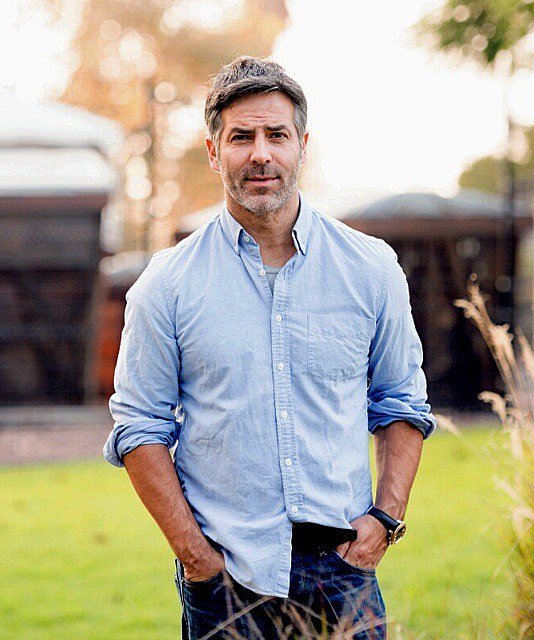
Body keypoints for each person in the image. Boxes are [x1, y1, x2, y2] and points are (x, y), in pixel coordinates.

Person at [104, 56, 437, 640]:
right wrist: (195, 556)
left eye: (276, 135)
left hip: (344, 569)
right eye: (241, 137)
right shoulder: (167, 284)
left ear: (301, 146)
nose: (261, 154)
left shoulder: (370, 269)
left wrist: (385, 519)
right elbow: (139, 425)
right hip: (224, 575)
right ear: (214, 152)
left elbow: (401, 401)